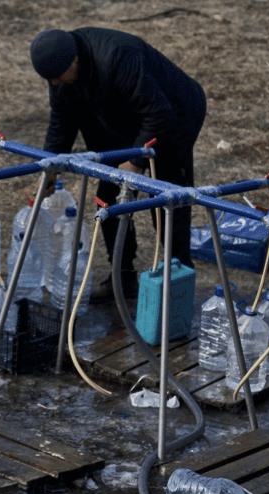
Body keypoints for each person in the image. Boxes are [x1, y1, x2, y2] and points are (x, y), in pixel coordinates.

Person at [28, 27, 206, 302]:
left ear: (74, 60)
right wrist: (49, 167)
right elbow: (62, 121)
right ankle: (122, 280)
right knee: (109, 200)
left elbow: (158, 112)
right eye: (51, 80)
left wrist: (135, 161)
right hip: (123, 119)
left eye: (59, 77)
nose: (55, 84)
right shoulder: (59, 69)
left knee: (167, 202)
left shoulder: (117, 57)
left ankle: (177, 285)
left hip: (174, 114)